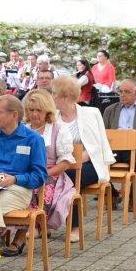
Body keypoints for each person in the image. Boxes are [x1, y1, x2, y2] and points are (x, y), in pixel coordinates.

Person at [52, 75, 116, 240]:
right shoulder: (52, 117)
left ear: (66, 96)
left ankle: (75, 227)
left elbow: (99, 144)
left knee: (68, 177)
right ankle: (41, 223)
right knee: (46, 175)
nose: (52, 97)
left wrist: (78, 159)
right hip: (61, 164)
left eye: (55, 94)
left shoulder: (91, 113)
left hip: (90, 163)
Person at [0, 96, 48, 254]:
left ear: (14, 115)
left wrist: (15, 179)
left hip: (19, 188)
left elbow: (40, 176)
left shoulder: (33, 139)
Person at [13, 88, 77, 242]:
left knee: (41, 187)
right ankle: (21, 225)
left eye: (38, 110)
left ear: (47, 111)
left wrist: (43, 173)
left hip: (52, 174)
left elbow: (65, 162)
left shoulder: (59, 130)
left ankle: (37, 224)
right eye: (31, 110)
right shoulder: (22, 129)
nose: (34, 114)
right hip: (25, 172)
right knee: (14, 187)